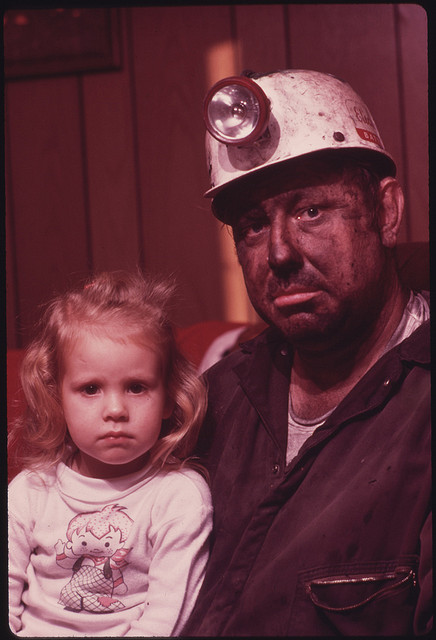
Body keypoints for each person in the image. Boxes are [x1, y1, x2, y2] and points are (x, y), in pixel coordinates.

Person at [183, 70, 431, 636]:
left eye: (311, 211)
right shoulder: (214, 402)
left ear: (386, 212)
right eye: (251, 224)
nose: (279, 252)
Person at [8, 271, 213, 637]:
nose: (115, 409)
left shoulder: (179, 497)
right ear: (58, 398)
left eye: (136, 387)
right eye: (90, 389)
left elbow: (167, 619)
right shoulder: (30, 491)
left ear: (168, 397)